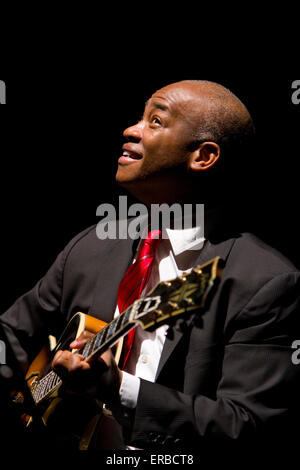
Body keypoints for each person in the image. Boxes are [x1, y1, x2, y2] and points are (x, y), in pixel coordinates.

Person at [0, 80, 299, 454]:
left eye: (155, 121)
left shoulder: (264, 281)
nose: (131, 129)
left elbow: (247, 425)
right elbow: (11, 336)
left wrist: (118, 387)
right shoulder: (94, 244)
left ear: (203, 157)